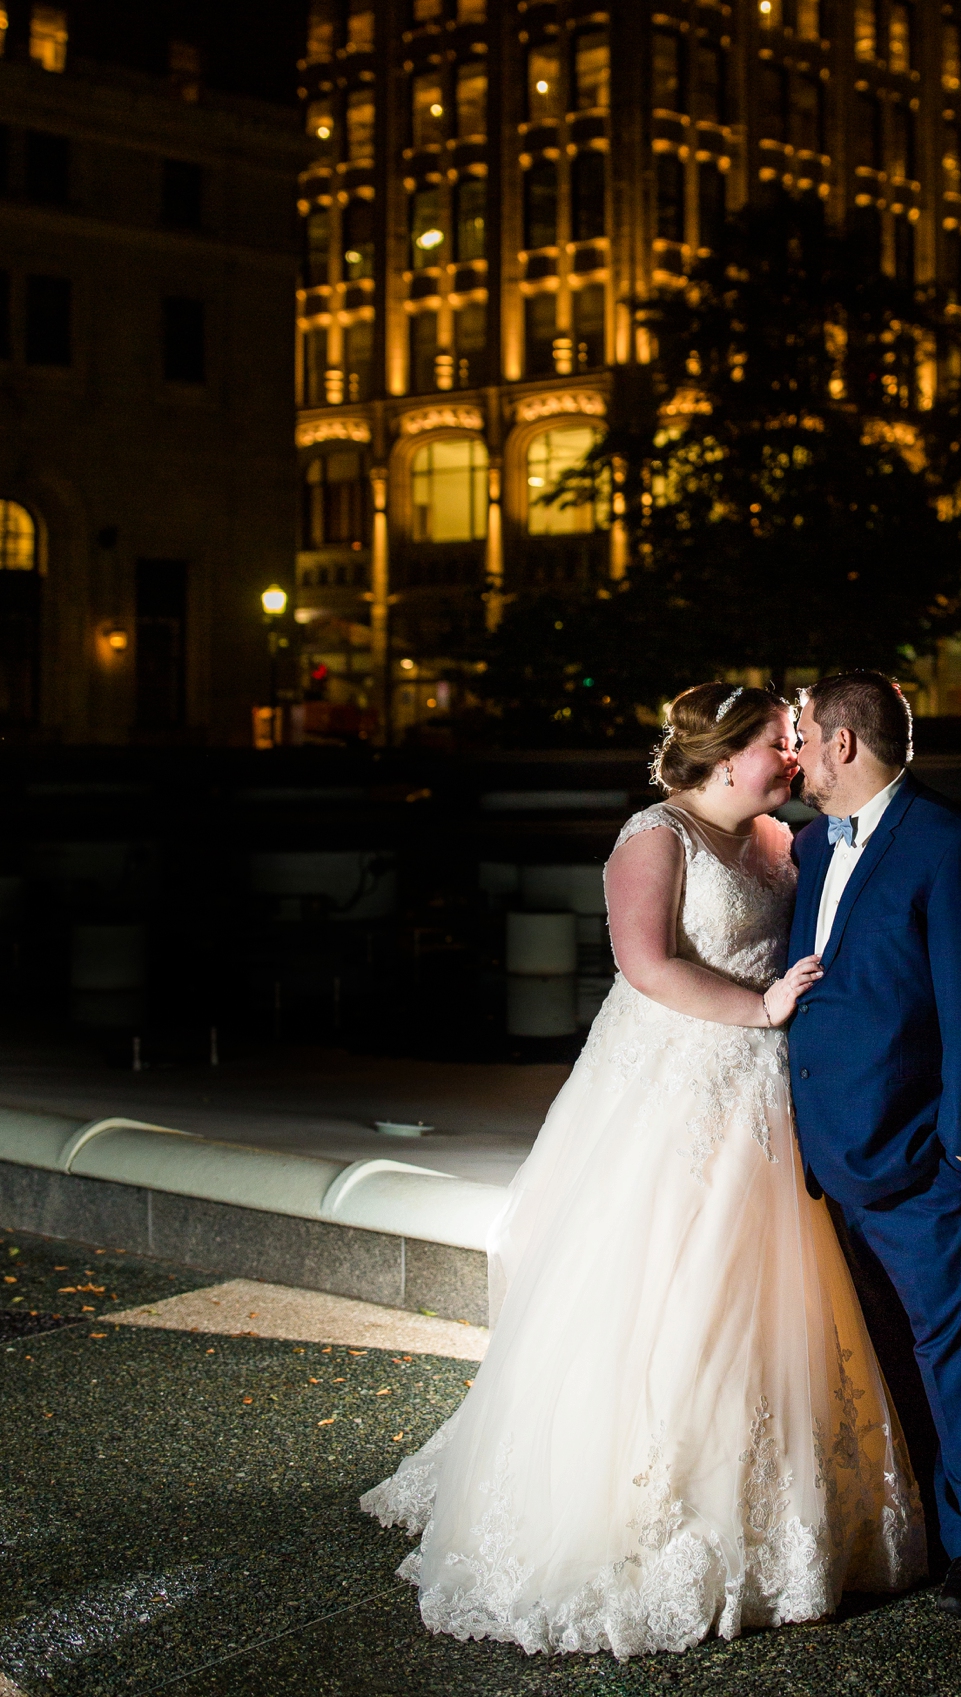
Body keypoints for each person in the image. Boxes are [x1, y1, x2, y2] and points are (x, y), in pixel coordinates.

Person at [361, 681, 923, 1658]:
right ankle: (631, 1495)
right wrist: (760, 1011)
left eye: (792, 745)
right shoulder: (654, 837)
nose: (789, 760)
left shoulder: (778, 841)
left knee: (764, 1296)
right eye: (773, 746)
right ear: (718, 755)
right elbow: (646, 964)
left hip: (767, 1096)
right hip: (678, 1091)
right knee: (658, 1286)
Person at [787, 671, 961, 1623]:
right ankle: (929, 1526)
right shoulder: (813, 848)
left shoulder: (952, 845)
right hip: (831, 1155)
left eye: (806, 734)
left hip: (930, 1158)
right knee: (886, 1353)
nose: (796, 753)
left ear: (844, 743)